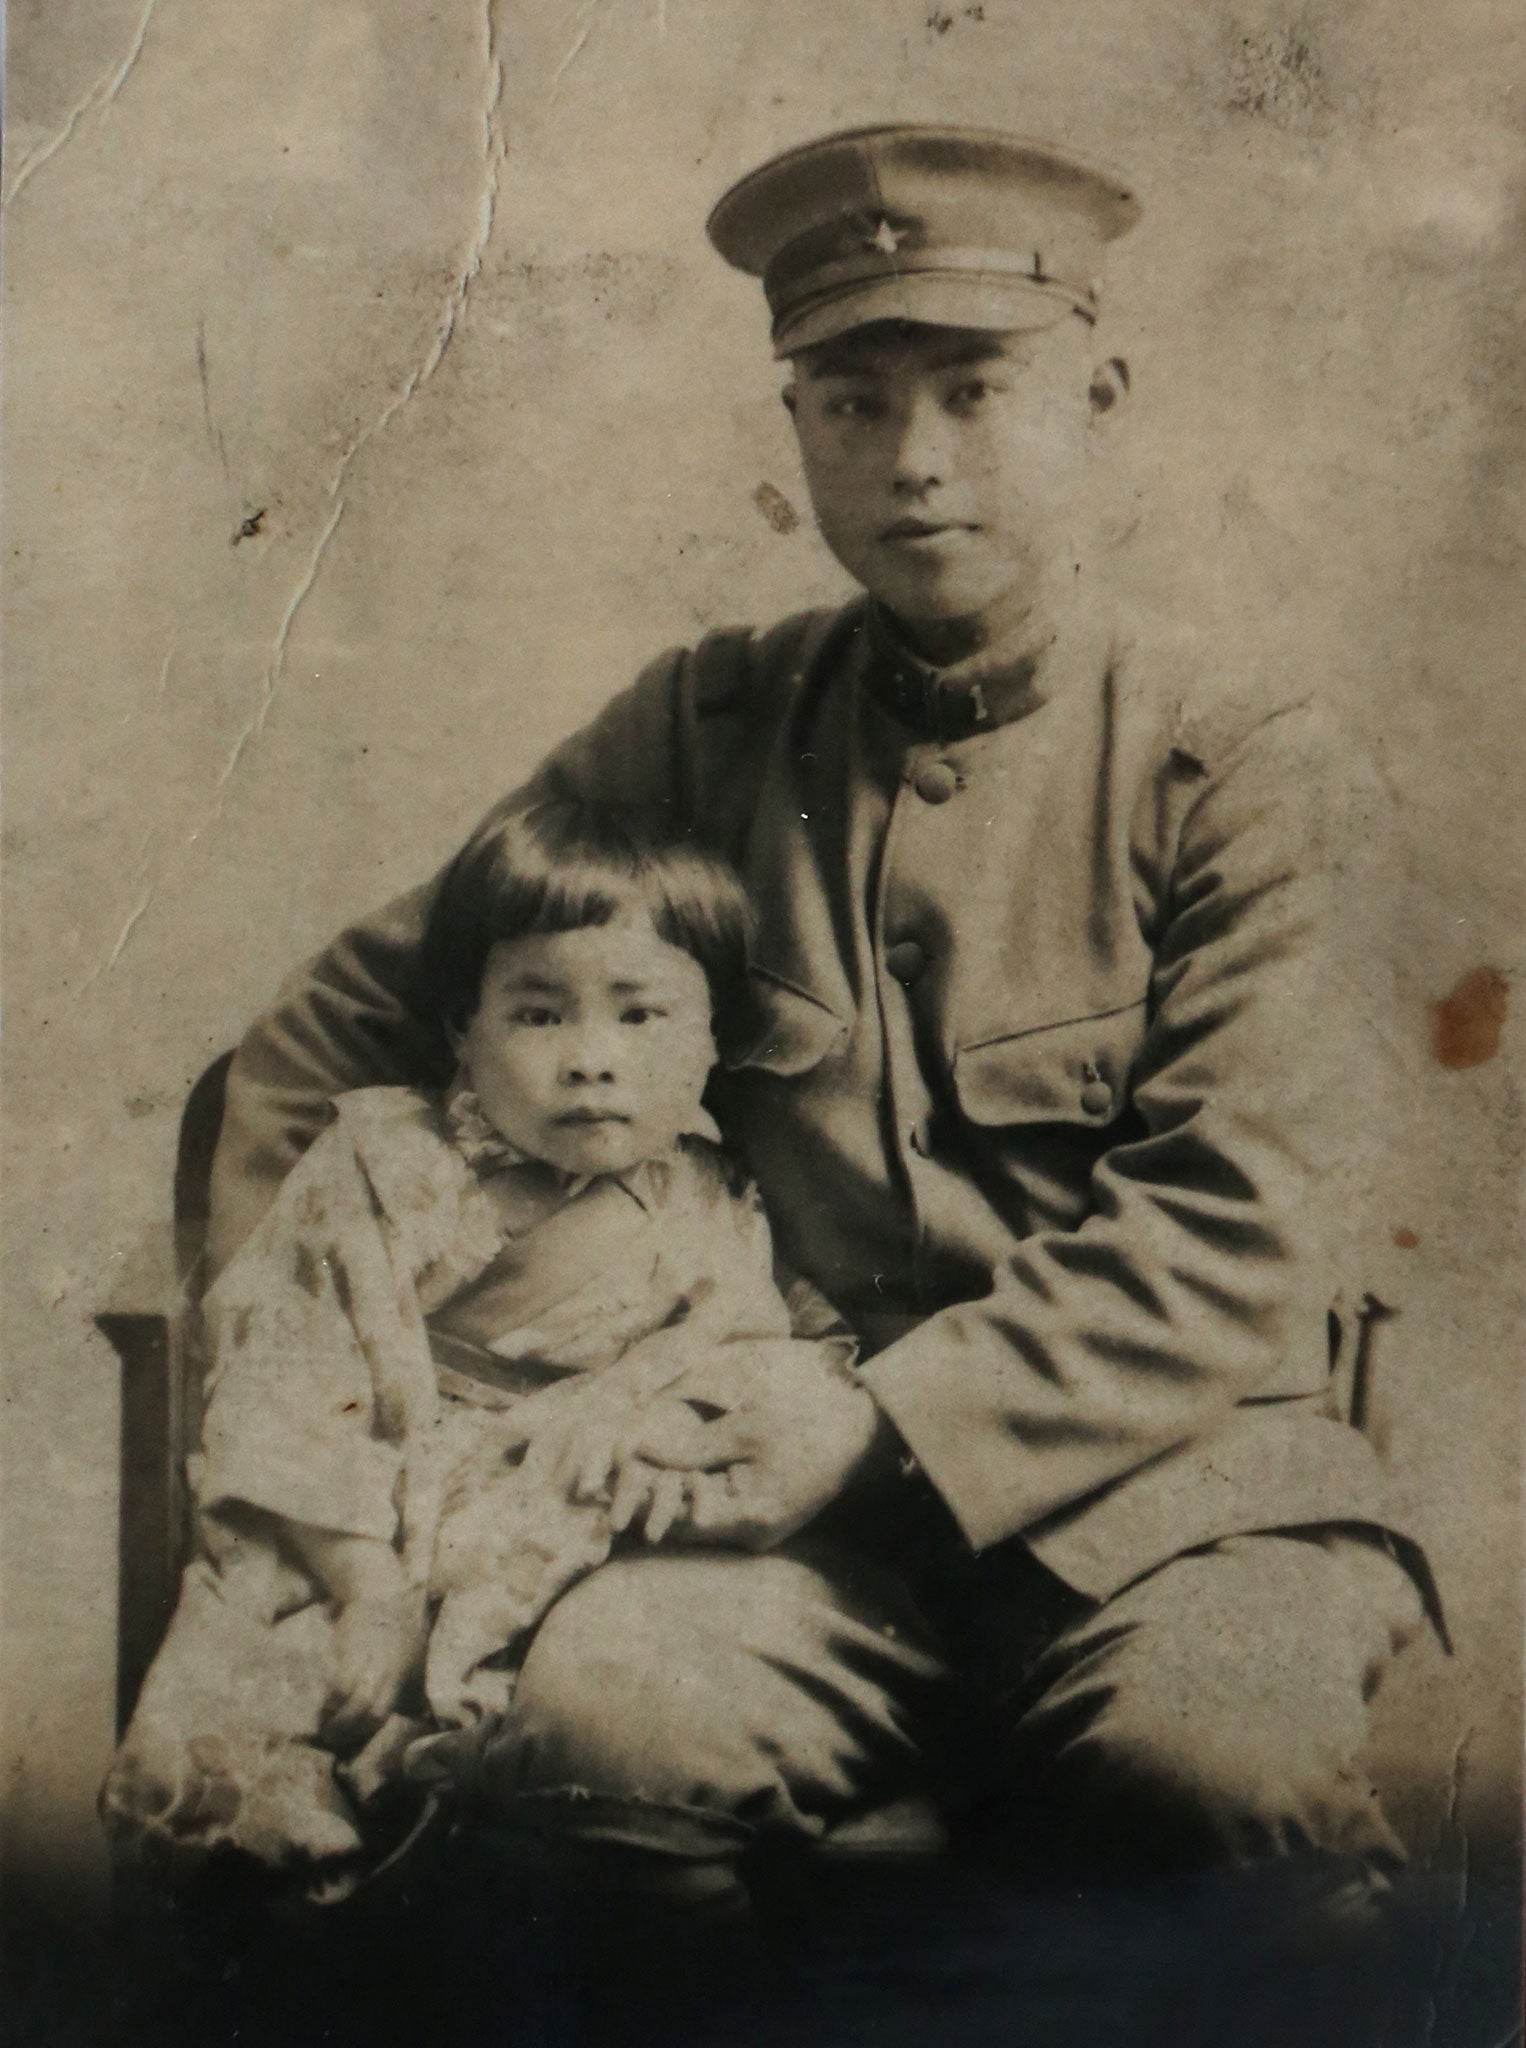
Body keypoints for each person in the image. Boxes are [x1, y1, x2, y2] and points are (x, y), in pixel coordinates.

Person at [202, 125, 1440, 2022]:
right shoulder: (701, 727)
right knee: (591, 1748)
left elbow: (1236, 1223)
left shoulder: (1251, 765)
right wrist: (299, 1381)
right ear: (793, 432)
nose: (913, 457)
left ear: (1099, 399)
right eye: (850, 401)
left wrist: (874, 1420)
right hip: (766, 1523)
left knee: (1221, 1780)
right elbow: (340, 1025)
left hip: (1184, 1508)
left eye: (974, 388)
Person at [102, 802, 835, 1885]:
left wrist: (637, 1420)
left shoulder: (714, 1193)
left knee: (615, 1698)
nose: (592, 1060)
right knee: (293, 1669)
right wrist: (368, 1583)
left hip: (568, 1523)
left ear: (711, 1036)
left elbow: (732, 1351)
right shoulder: (386, 1162)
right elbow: (294, 1374)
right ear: (461, 1024)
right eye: (539, 1015)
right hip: (371, 1503)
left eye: (641, 1016)